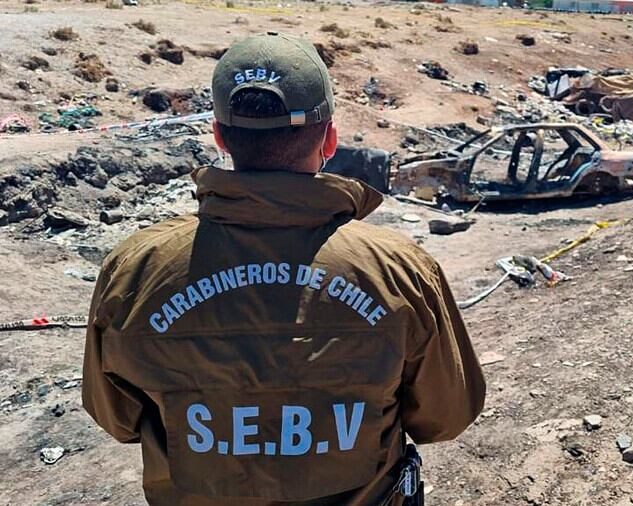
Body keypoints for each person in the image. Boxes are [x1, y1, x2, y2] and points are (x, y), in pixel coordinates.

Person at [82, 32, 485, 506]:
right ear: (329, 139)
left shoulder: (135, 269)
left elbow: (117, 419)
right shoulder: (401, 270)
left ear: (219, 136)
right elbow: (445, 417)